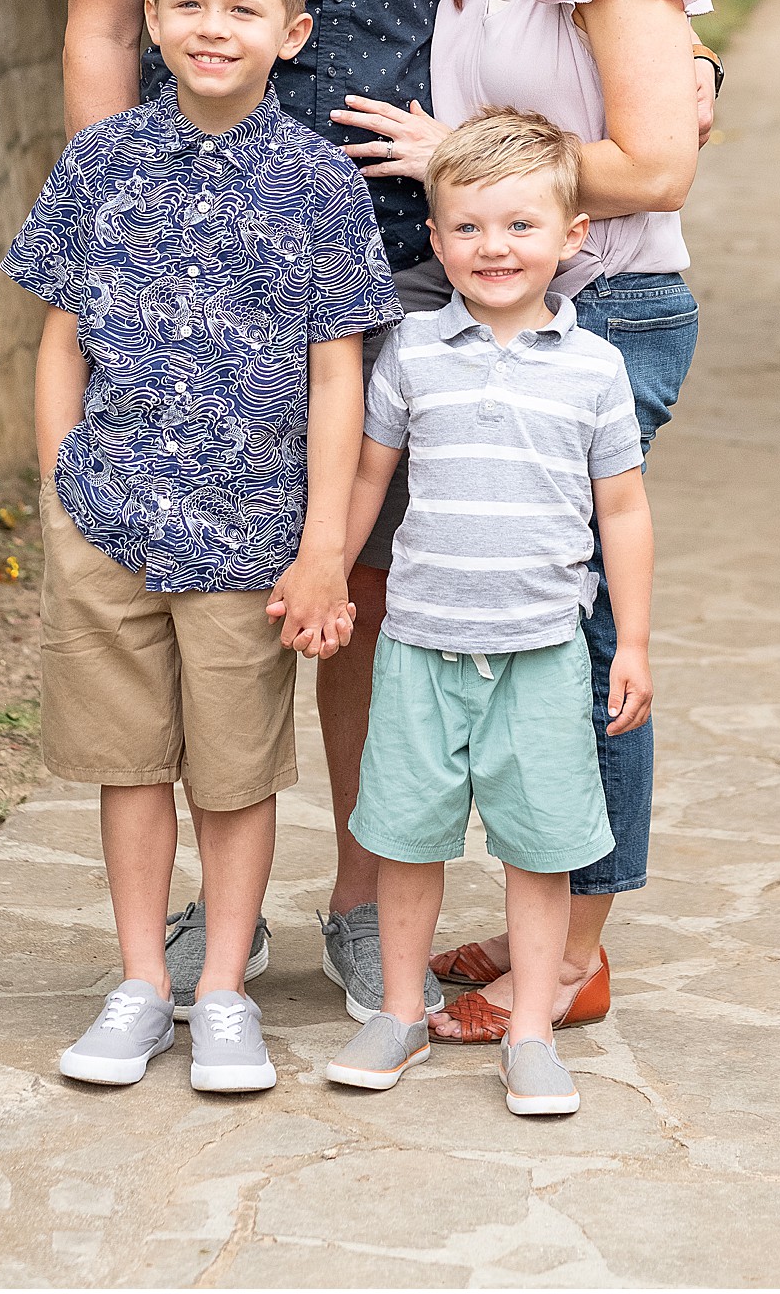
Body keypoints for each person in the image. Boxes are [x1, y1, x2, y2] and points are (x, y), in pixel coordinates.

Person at [59, 0, 719, 1018]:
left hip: (440, 265)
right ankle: (184, 942)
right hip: (212, 269)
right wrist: (112, 228)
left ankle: (371, 901)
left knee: (390, 588)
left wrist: (683, 91)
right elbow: (98, 25)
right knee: (209, 588)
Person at [332, 0, 712, 1043]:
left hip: (604, 316)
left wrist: (465, 160)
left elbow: (660, 162)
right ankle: (558, 904)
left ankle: (579, 956)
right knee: (493, 611)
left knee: (580, 626)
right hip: (493, 310)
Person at [2, 0, 400, 1093]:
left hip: (249, 536)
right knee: (130, 763)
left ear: (291, 31)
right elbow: (59, 336)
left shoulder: (319, 185)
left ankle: (224, 987)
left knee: (232, 773)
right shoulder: (99, 160)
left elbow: (341, 373)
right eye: (189, 4)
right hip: (109, 517)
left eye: (242, 8)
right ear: (155, 20)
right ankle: (141, 982)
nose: (211, 26)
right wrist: (59, 485)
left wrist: (324, 541)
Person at [323, 109, 653, 1117]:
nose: (492, 248)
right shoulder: (413, 351)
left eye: (518, 227)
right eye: (466, 228)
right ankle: (393, 1011)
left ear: (569, 237)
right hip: (421, 641)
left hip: (542, 649)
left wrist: (630, 639)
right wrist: (329, 572)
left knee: (540, 842)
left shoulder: (593, 368)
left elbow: (624, 508)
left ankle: (530, 1031)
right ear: (434, 238)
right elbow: (369, 478)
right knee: (407, 834)